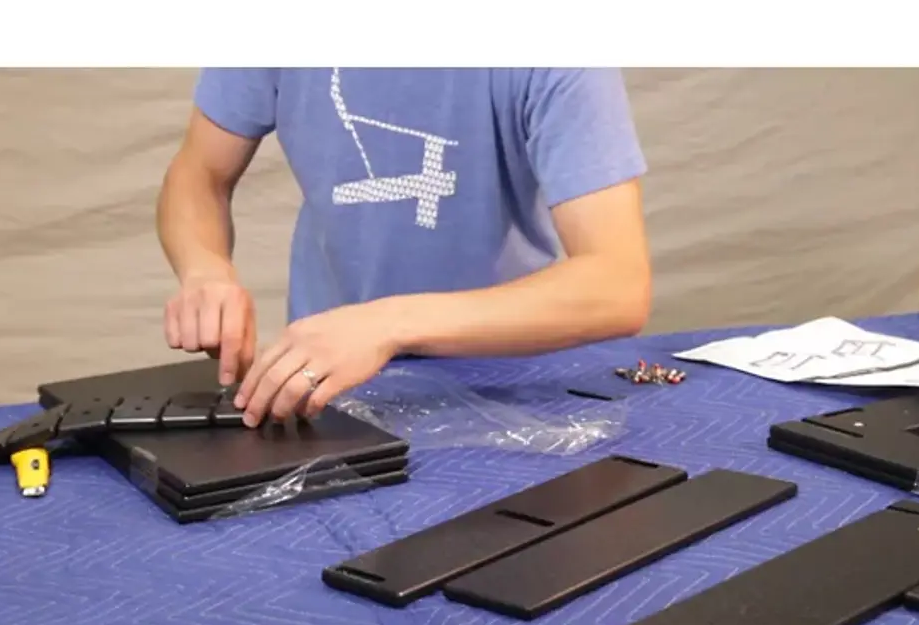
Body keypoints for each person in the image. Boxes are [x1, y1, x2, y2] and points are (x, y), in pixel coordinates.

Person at [156, 68, 652, 428]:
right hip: (325, 387)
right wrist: (204, 269)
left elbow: (617, 285)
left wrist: (388, 325)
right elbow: (199, 173)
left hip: (508, 382)